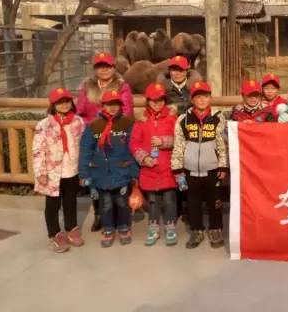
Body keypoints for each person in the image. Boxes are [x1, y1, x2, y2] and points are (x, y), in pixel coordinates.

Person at [77, 51, 133, 232]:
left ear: (113, 68)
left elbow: (126, 111)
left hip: (115, 134)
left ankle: (119, 216)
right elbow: (79, 110)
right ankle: (99, 214)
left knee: (117, 173)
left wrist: (116, 127)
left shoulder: (122, 86)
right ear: (95, 69)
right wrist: (92, 124)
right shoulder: (87, 86)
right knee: (97, 175)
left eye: (108, 66)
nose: (104, 70)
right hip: (94, 135)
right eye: (100, 66)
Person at [171, 81, 228, 249]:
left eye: (205, 96)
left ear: (210, 98)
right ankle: (197, 230)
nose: (202, 100)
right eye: (198, 97)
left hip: (212, 168)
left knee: (214, 201)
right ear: (192, 99)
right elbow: (179, 144)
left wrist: (223, 166)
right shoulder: (183, 119)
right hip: (190, 170)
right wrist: (177, 168)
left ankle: (215, 228)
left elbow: (221, 144)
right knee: (193, 202)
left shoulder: (218, 117)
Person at [79, 90, 138, 247]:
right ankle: (108, 229)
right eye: (109, 104)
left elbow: (133, 148)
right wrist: (84, 173)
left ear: (120, 105)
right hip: (101, 173)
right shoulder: (94, 126)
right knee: (106, 204)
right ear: (103, 106)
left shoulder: (127, 123)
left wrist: (134, 172)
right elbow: (86, 151)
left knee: (122, 202)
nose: (112, 108)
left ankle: (124, 227)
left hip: (122, 171)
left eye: (116, 104)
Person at [32, 88, 86, 253]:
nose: (64, 105)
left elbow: (84, 146)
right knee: (52, 204)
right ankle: (54, 234)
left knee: (71, 201)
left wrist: (84, 169)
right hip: (52, 171)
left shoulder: (78, 122)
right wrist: (40, 172)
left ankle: (71, 228)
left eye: (67, 101)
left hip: (72, 169)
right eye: (60, 102)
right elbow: (37, 150)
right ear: (53, 104)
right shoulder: (44, 125)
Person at [130, 83, 178, 246]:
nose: (157, 103)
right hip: (149, 169)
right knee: (152, 201)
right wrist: (144, 158)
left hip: (168, 167)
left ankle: (170, 226)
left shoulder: (172, 118)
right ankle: (153, 227)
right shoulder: (141, 121)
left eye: (160, 100)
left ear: (165, 100)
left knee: (170, 199)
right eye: (153, 100)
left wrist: (164, 142)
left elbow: (179, 139)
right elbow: (134, 144)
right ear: (147, 101)